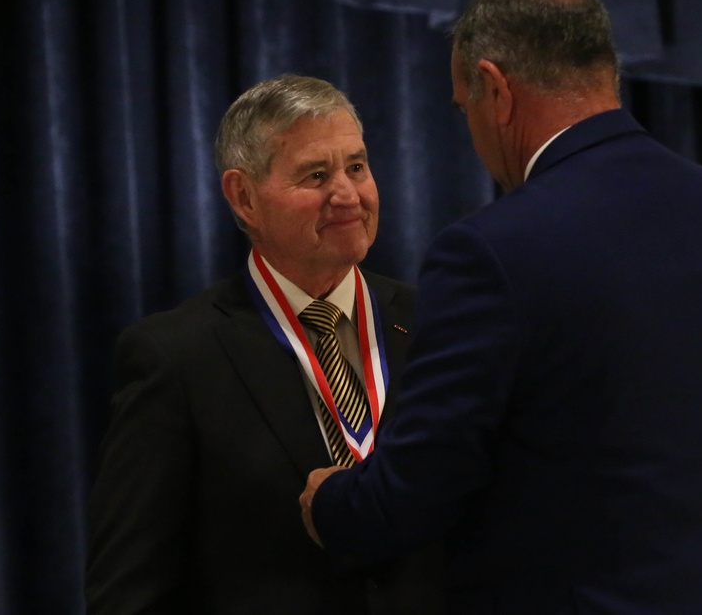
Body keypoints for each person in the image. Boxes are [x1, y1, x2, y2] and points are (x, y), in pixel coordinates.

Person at [299, 0, 702, 615]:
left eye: (466, 109)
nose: (475, 133)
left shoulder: (492, 251)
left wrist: (331, 501)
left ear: (495, 89)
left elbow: (418, 485)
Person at [85, 74, 444, 614]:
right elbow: (128, 591)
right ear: (244, 196)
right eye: (316, 175)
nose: (346, 194)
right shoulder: (177, 357)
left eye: (357, 167)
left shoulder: (439, 324)